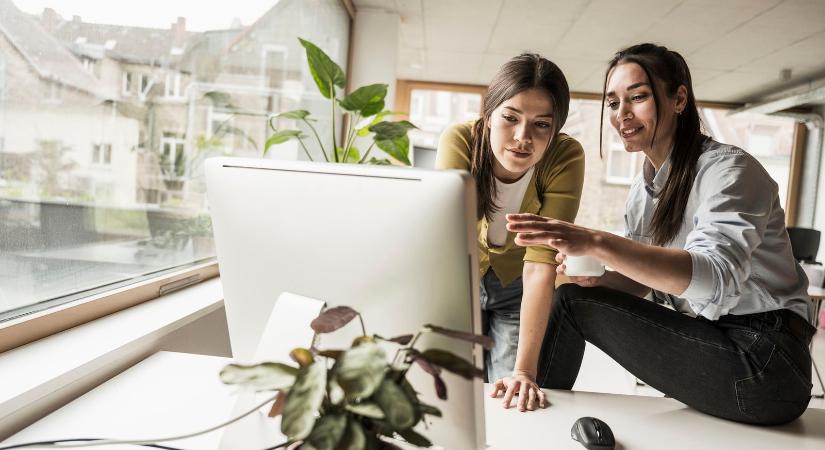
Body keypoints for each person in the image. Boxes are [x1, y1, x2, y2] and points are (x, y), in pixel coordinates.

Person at [497, 43, 816, 425]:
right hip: (715, 343)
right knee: (576, 295)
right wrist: (598, 274)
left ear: (679, 98)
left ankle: (530, 421)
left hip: (766, 365)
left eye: (638, 97)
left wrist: (597, 242)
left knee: (570, 303)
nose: (622, 114)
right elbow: (641, 283)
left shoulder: (730, 172)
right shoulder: (644, 191)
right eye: (613, 103)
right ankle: (531, 405)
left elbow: (713, 279)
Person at [435, 54, 585, 389]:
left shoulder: (565, 157)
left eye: (541, 124)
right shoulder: (460, 141)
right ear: (488, 115)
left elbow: (540, 263)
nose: (522, 137)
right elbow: (446, 240)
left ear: (556, 128)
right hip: (460, 280)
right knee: (453, 390)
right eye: (510, 118)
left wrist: (524, 374)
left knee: (509, 392)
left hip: (521, 287)